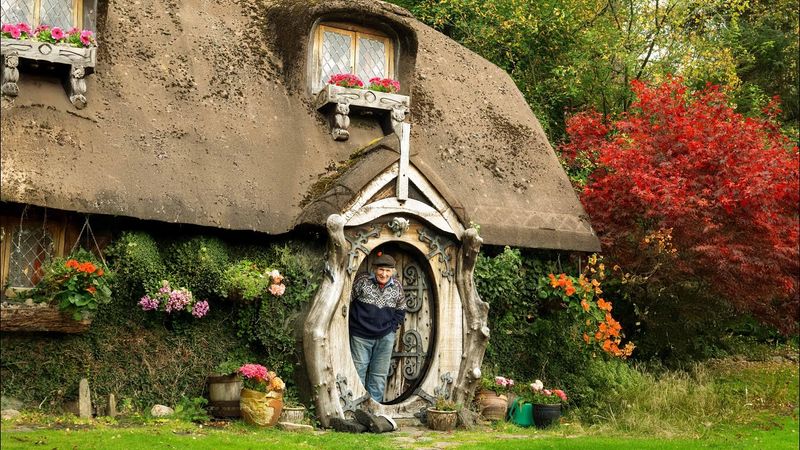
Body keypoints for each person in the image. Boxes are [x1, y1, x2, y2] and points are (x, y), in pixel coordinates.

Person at [348, 252, 406, 403]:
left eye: (388, 271)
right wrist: (353, 324)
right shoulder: (362, 281)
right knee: (358, 372)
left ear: (393, 271)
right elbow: (347, 301)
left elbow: (401, 309)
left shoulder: (397, 286)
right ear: (375, 269)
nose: (384, 274)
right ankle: (356, 408)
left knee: (379, 375)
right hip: (360, 336)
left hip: (385, 337)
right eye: (381, 270)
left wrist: (392, 328)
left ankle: (374, 410)